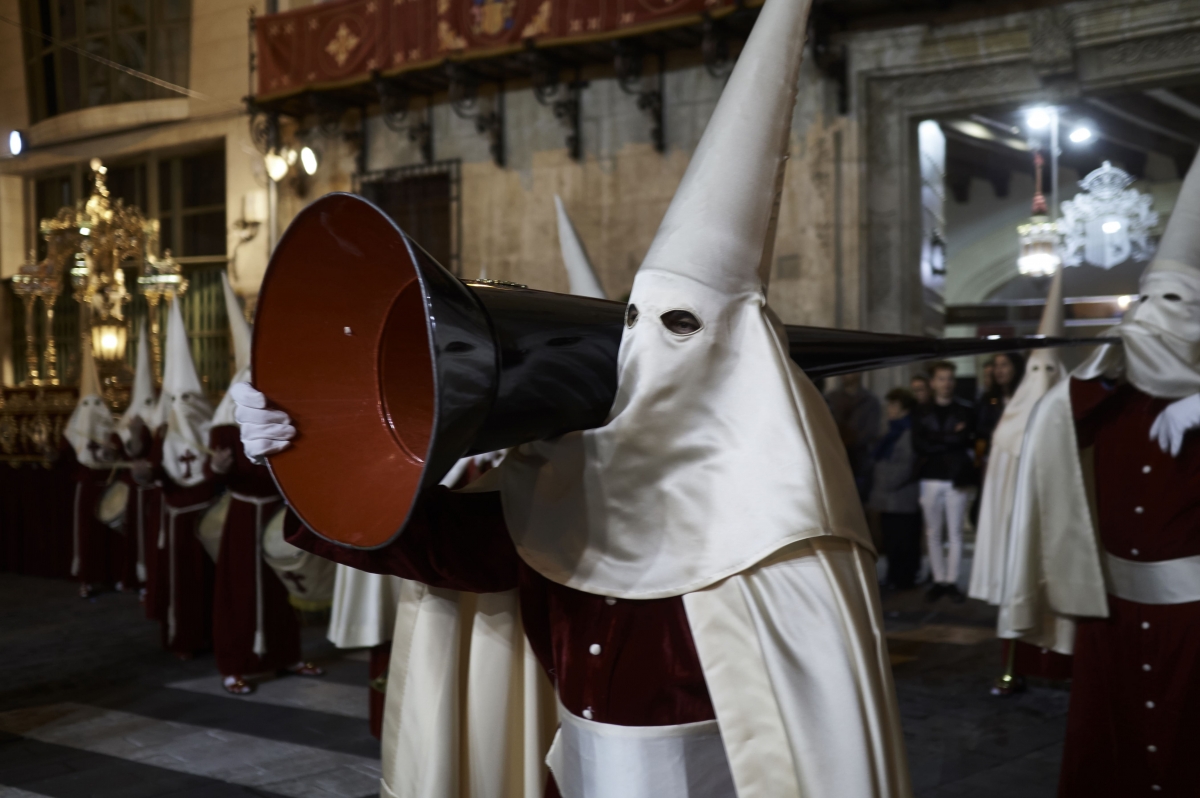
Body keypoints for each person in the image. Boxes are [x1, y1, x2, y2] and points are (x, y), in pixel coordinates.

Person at [236, 0, 913, 793]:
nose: (647, 345)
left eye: (681, 326)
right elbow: (440, 545)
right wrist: (299, 444)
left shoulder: (790, 534)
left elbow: (817, 748)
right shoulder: (566, 482)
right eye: (634, 320)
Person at [1000, 155, 1200, 797]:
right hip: (1112, 607)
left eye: (1172, 303)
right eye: (1145, 298)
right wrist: (1098, 375)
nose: (1150, 314)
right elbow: (1049, 429)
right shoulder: (1106, 385)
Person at [208, 274, 322, 694]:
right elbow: (215, 472)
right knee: (239, 591)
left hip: (278, 512)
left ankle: (286, 656)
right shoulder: (226, 422)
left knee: (280, 591)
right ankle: (234, 664)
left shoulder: (288, 407)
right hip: (243, 514)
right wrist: (219, 470)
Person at [969, 273, 1072, 694]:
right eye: (1037, 368)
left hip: (1055, 528)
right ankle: (1015, 667)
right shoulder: (1010, 423)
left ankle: (1061, 666)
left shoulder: (1067, 413)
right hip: (1016, 525)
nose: (1044, 375)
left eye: (1051, 368)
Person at [137, 299, 218, 659]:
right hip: (176, 521)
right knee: (183, 585)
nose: (183, 405)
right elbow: (154, 470)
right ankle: (184, 638)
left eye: (189, 397)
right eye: (177, 398)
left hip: (209, 518)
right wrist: (145, 474)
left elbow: (220, 472)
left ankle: (215, 636)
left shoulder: (212, 429)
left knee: (213, 583)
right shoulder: (163, 433)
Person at [63, 343, 124, 599]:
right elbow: (64, 459)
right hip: (87, 486)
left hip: (108, 485)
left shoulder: (112, 430)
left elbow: (120, 454)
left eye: (96, 402)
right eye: (86, 403)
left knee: (111, 536)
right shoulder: (73, 431)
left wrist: (112, 451)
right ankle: (86, 578)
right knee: (87, 536)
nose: (92, 408)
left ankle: (116, 576)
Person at [913, 360, 975, 603]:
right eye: (941, 378)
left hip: (955, 477)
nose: (946, 383)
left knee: (956, 532)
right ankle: (939, 579)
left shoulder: (965, 410)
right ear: (933, 382)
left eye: (950, 378)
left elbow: (965, 441)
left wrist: (938, 439)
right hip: (930, 477)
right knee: (933, 532)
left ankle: (951, 581)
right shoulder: (921, 412)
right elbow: (919, 445)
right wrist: (951, 436)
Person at [115, 320, 159, 599]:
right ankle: (134, 577)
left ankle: (151, 581)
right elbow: (126, 451)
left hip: (157, 494)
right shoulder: (131, 419)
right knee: (135, 537)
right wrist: (132, 435)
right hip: (136, 491)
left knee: (154, 540)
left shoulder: (163, 419)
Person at [868, 388, 921, 590]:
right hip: (888, 499)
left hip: (901, 497)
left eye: (893, 405)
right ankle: (893, 576)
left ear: (904, 408)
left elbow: (905, 466)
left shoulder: (907, 432)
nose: (889, 409)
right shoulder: (893, 431)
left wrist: (882, 477)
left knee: (903, 542)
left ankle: (903, 579)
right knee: (891, 541)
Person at [826, 372, 883, 499]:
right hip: (834, 460)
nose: (844, 375)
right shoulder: (831, 398)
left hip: (859, 461)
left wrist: (849, 440)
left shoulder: (870, 401)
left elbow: (871, 431)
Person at [976, 352, 1025, 448]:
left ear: (1015, 367)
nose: (999, 371)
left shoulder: (1025, 397)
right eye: (996, 366)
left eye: (1004, 365)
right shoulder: (987, 399)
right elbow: (982, 428)